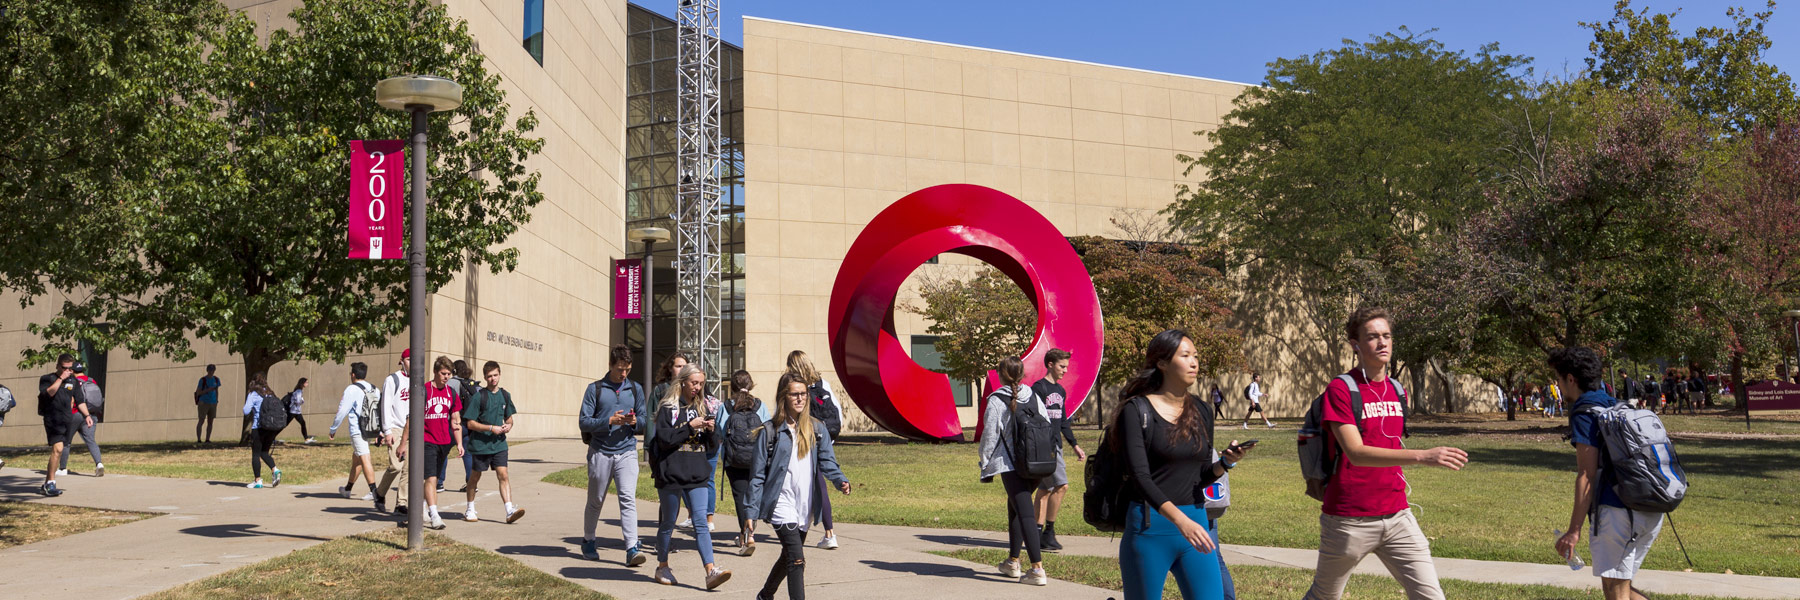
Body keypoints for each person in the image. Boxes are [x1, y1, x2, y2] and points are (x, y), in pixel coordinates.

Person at [1304, 307, 1467, 600]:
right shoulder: (1341, 389)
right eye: (1372, 337)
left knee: (1431, 596)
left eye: (1386, 336)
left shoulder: (1396, 389)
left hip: (1397, 515)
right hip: (1348, 519)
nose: (1382, 343)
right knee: (1323, 596)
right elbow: (1356, 452)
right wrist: (1423, 455)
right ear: (1356, 345)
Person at [1114, 330, 1251, 600]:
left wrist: (1225, 463)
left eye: (1196, 356)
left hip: (1198, 524)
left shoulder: (1201, 410)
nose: (1194, 362)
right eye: (1185, 355)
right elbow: (1140, 477)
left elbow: (1199, 477)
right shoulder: (1136, 411)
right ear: (1162, 363)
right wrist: (1180, 521)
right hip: (1150, 527)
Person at [1550, 346, 1664, 600]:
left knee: (1615, 591)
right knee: (1622, 587)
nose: (1558, 385)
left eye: (1558, 379)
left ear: (1570, 379)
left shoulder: (1584, 412)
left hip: (1617, 512)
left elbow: (1586, 476)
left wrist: (1574, 531)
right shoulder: (1616, 405)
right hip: (1649, 506)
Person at [746, 372, 853, 600]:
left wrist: (840, 480)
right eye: (795, 394)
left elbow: (827, 461)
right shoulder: (770, 431)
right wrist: (750, 513)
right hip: (780, 502)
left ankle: (765, 595)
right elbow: (756, 476)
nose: (800, 399)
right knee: (797, 559)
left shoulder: (817, 428)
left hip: (804, 503)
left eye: (803, 394)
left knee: (789, 556)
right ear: (784, 396)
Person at [649, 364, 732, 589]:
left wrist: (712, 430)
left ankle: (710, 571)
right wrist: (689, 427)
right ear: (683, 381)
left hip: (697, 472)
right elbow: (664, 439)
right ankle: (662, 566)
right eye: (694, 382)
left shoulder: (703, 407)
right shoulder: (669, 408)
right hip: (672, 473)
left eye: (701, 384)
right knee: (668, 522)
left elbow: (712, 446)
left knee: (701, 523)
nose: (697, 387)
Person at [977, 356, 1050, 586]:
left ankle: (1037, 569)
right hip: (1036, 464)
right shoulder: (1034, 396)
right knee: (1016, 509)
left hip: (1011, 465)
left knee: (1025, 512)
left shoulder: (997, 400)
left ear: (1001, 374)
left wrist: (985, 463)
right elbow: (1046, 423)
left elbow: (990, 436)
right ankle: (1012, 562)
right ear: (1021, 373)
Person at [579, 345, 650, 566]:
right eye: (620, 368)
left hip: (627, 451)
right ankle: (589, 540)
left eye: (627, 369)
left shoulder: (635, 389)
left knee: (627, 499)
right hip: (600, 452)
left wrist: (635, 421)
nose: (623, 374)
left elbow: (645, 420)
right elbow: (584, 421)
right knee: (596, 500)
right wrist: (609, 421)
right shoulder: (595, 389)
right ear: (611, 365)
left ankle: (631, 547)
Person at [784, 350, 843, 550]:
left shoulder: (794, 387)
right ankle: (829, 533)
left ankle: (805, 528)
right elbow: (837, 413)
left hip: (803, 439)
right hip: (822, 437)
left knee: (803, 484)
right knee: (819, 485)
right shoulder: (821, 384)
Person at [398, 356, 465, 530]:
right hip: (426, 441)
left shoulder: (451, 393)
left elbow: (455, 420)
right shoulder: (424, 390)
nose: (446, 377)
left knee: (433, 480)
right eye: (443, 373)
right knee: (431, 478)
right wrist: (403, 443)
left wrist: (459, 443)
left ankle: (419, 511)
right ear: (435, 372)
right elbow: (412, 418)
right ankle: (434, 514)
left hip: (444, 441)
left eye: (449, 374)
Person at [1031, 348, 1085, 552]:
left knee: (1045, 490)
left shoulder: (1061, 391)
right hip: (1044, 447)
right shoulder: (1039, 388)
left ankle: (1036, 533)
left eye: (1067, 367)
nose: (1065, 371)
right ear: (1050, 364)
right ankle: (1048, 533)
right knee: (1061, 486)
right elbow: (1034, 419)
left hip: (1057, 446)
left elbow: (1063, 422)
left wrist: (1075, 445)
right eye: (1062, 366)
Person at [464, 360, 523, 524]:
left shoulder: (505, 395)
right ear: (484, 377)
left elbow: (510, 419)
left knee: (503, 475)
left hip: (499, 444)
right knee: (474, 477)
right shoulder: (479, 397)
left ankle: (509, 510)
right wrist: (490, 428)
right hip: (480, 445)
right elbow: (470, 423)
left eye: (495, 375)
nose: (493, 379)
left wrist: (508, 426)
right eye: (489, 376)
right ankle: (470, 509)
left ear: (499, 374)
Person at [722, 369, 772, 556]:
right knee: (754, 495)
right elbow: (768, 430)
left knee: (740, 498)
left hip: (734, 461)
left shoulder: (726, 406)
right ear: (751, 385)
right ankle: (751, 533)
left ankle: (745, 536)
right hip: (757, 459)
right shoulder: (760, 406)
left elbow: (720, 431)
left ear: (732, 387)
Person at [37, 354, 93, 496]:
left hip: (67, 419)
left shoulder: (74, 381)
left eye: (70, 369)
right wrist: (61, 378)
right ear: (58, 366)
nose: (68, 371)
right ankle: (50, 483)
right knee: (58, 448)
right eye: (64, 368)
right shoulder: (47, 379)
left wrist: (87, 416)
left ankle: (47, 482)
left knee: (59, 450)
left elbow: (80, 401)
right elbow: (49, 393)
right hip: (52, 419)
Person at [330, 362, 379, 500]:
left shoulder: (351, 389)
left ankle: (374, 491)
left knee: (364, 458)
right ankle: (348, 489)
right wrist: (379, 431)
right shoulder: (374, 389)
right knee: (357, 458)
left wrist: (333, 428)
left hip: (358, 429)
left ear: (353, 374)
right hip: (370, 428)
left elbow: (342, 411)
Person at [375, 349, 413, 513]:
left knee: (409, 468)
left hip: (412, 428)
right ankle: (379, 493)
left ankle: (401, 503)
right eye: (409, 359)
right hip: (396, 428)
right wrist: (387, 430)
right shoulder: (392, 379)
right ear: (402, 361)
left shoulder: (417, 380)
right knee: (396, 466)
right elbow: (385, 405)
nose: (412, 363)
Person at [57, 362, 104, 477]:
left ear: (72, 371)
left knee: (66, 442)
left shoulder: (72, 382)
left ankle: (62, 468)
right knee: (91, 440)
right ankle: (99, 464)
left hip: (75, 414)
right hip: (91, 415)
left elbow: (71, 400)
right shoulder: (92, 381)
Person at [443, 359, 478, 493]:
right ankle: (471, 483)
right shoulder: (471, 384)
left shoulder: (452, 383)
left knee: (443, 451)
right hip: (468, 424)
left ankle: (439, 482)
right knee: (468, 454)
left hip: (453, 423)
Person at [243, 372, 283, 489]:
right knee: (264, 452)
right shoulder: (269, 393)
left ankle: (258, 481)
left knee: (256, 454)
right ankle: (275, 470)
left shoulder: (254, 394)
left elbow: (246, 410)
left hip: (258, 427)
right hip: (271, 428)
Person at [195, 364, 222, 444]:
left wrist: (216, 400)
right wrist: (207, 390)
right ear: (207, 370)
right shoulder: (203, 380)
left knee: (210, 421)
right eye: (210, 370)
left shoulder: (216, 380)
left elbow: (217, 391)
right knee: (201, 420)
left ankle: (207, 439)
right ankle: (199, 439)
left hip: (213, 403)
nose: (211, 371)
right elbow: (198, 392)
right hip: (203, 402)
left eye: (213, 370)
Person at [285, 377, 315, 444]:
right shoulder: (299, 391)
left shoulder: (299, 390)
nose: (307, 384)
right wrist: (302, 401)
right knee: (285, 424)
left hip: (296, 411)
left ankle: (306, 438)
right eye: (306, 382)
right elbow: (298, 401)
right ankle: (271, 437)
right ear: (302, 383)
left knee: (302, 423)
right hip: (294, 411)